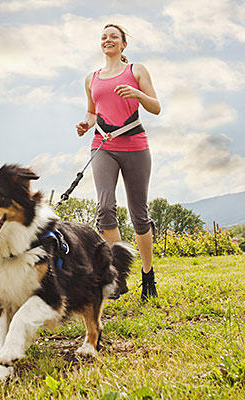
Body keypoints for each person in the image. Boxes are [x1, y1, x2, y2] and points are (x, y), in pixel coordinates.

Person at [76, 24, 161, 301]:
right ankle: (118, 274)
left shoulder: (136, 70)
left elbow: (156, 107)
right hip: (103, 145)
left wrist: (137, 94)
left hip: (135, 144)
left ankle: (148, 276)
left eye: (114, 36)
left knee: (139, 214)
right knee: (105, 208)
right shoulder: (91, 78)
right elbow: (92, 112)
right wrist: (85, 124)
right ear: (101, 44)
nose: (108, 40)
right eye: (104, 37)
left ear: (123, 44)